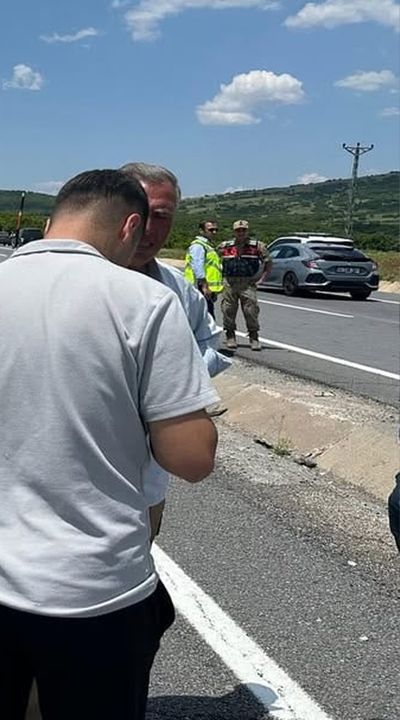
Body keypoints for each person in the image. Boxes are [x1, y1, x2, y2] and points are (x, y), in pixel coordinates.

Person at [0, 169, 219, 720]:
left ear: (54, 219)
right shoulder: (147, 303)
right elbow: (192, 459)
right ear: (129, 226)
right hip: (94, 590)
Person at [120, 162, 231, 538]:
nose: (147, 227)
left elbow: (209, 342)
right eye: (139, 211)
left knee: (137, 559)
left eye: (161, 216)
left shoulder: (178, 292)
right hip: (65, 482)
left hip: (146, 484)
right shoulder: (70, 281)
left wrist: (172, 380)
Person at [218, 220, 272, 351]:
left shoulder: (257, 246)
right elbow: (213, 261)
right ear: (234, 232)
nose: (241, 233)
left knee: (251, 310)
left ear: (247, 231)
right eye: (238, 230)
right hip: (229, 282)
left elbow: (268, 262)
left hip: (248, 283)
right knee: (228, 310)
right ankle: (230, 335)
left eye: (243, 230)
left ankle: (254, 336)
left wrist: (262, 279)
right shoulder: (225, 246)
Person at [185, 220, 224, 318]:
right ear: (201, 231)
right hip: (200, 287)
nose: (214, 232)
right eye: (211, 230)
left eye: (216, 230)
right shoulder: (198, 246)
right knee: (205, 318)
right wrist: (204, 286)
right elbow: (197, 265)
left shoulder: (208, 246)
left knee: (206, 317)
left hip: (206, 287)